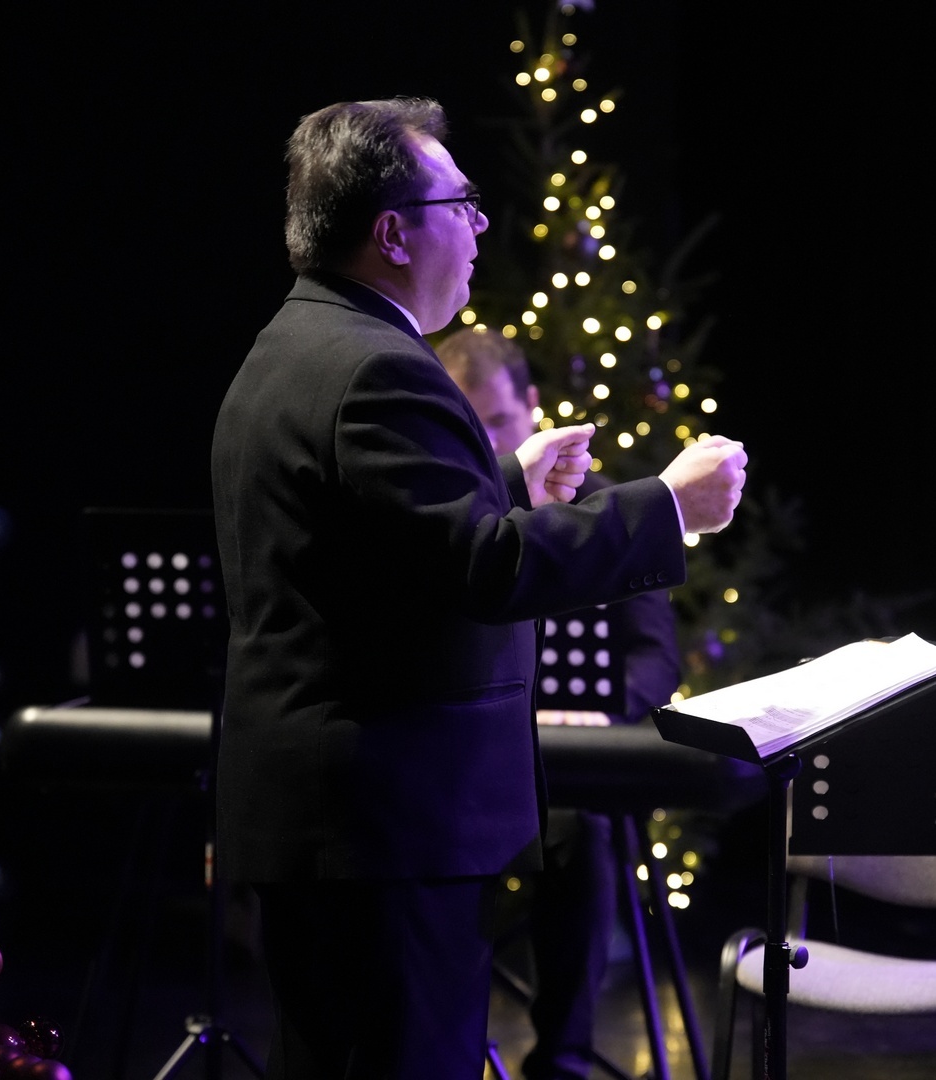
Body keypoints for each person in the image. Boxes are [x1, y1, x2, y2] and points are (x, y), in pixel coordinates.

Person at [209, 97, 747, 1080]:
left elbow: (377, 546)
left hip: (335, 828)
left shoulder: (295, 342)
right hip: (381, 834)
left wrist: (505, 482)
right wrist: (671, 506)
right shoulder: (382, 370)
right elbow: (489, 571)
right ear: (392, 234)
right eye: (460, 203)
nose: (480, 223)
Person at [436, 326, 679, 1080]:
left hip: (564, 765)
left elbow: (656, 657)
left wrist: (600, 713)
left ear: (533, 406)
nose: (489, 446)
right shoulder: (449, 518)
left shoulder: (605, 508)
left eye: (500, 424)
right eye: (471, 426)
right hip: (465, 765)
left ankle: (563, 1058)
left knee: (582, 832)